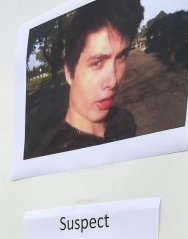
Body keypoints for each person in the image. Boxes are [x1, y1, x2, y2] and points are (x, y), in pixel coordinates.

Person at [32, 0, 144, 156]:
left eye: (121, 56)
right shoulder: (53, 156)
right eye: (97, 63)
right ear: (69, 73)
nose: (113, 81)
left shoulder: (123, 121)